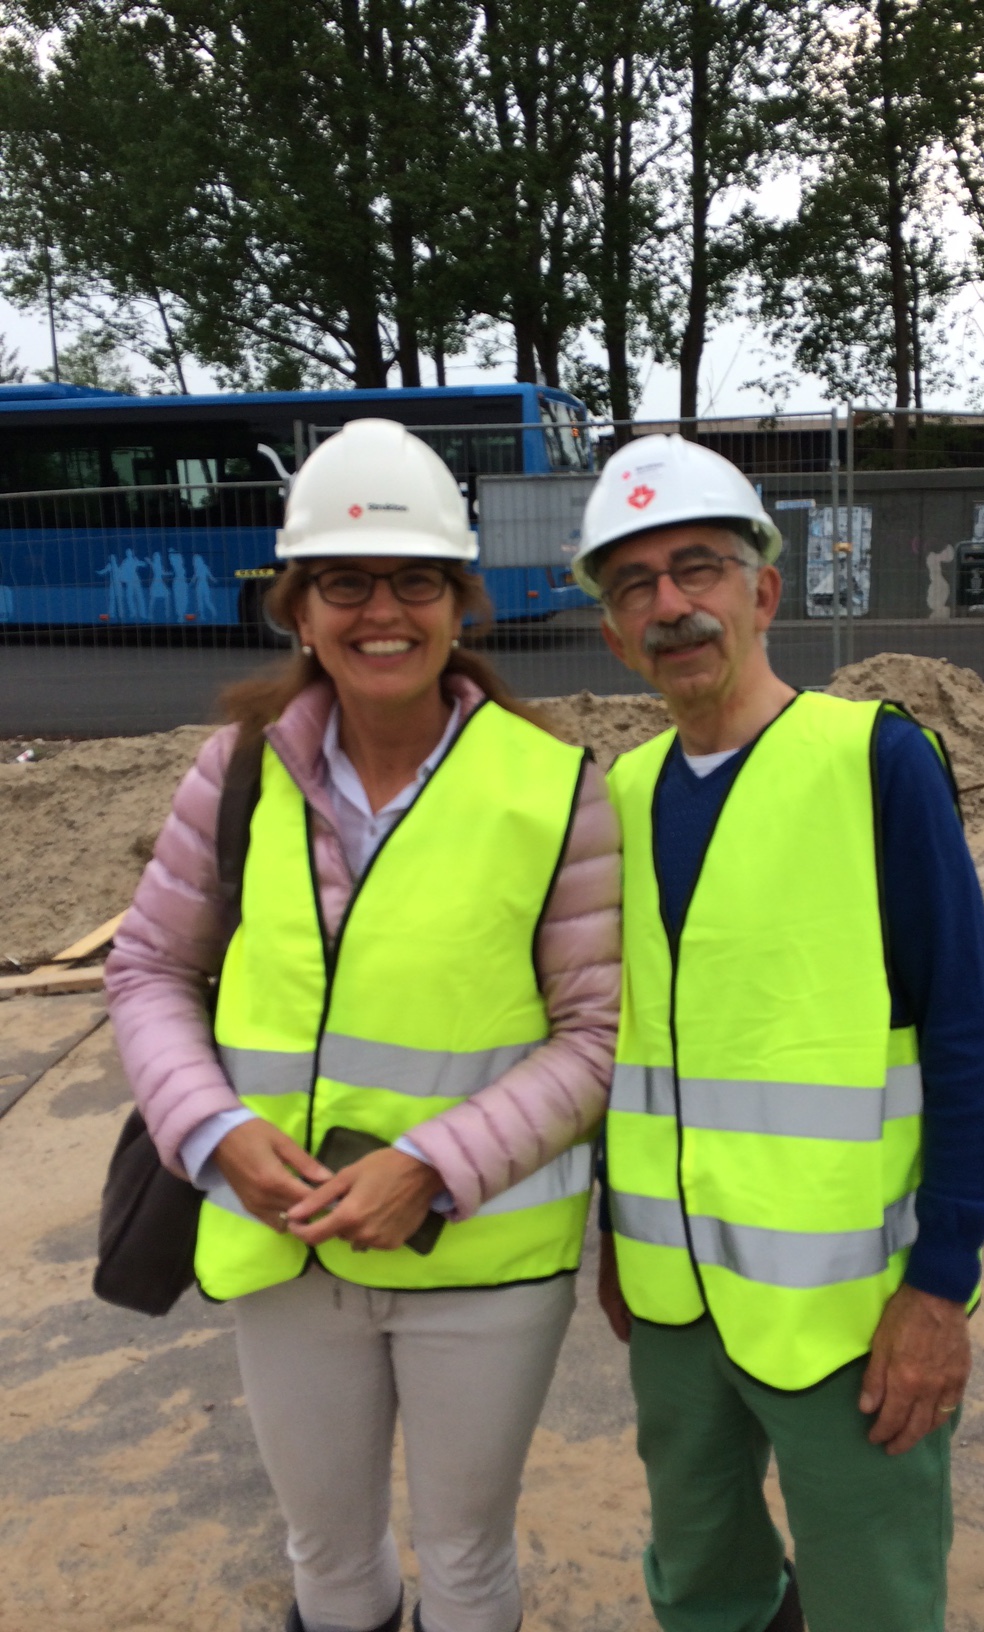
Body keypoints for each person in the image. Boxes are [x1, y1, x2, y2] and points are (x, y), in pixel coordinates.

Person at [105, 418, 620, 1632]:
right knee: (326, 1555)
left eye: (416, 582)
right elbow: (148, 972)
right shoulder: (234, 774)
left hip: (481, 1263)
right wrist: (212, 1128)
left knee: (466, 1557)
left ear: (460, 606)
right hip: (283, 1248)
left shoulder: (552, 790)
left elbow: (594, 1038)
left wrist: (431, 1169)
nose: (380, 611)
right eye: (345, 581)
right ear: (298, 606)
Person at [570, 434, 984, 1632]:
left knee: (872, 1595)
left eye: (699, 568)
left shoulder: (874, 762)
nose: (670, 605)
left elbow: (969, 1037)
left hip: (851, 1315)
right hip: (671, 1303)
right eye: (633, 586)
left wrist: (943, 1284)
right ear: (613, 634)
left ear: (763, 593)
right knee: (705, 1580)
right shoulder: (621, 794)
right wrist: (618, 1233)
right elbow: (631, 1047)